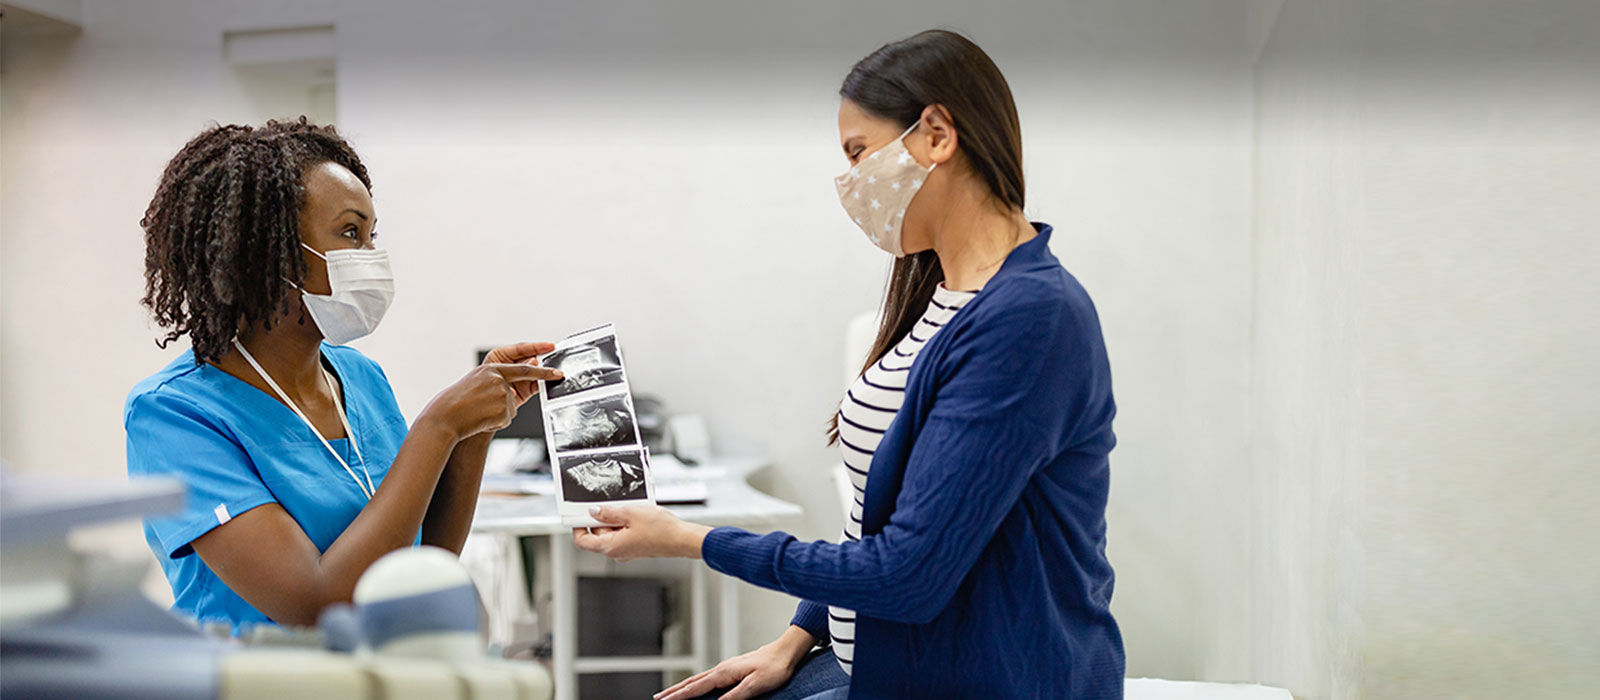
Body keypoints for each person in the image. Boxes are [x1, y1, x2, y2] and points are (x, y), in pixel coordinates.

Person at [573, 30, 1125, 700]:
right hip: (876, 661)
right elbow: (881, 515)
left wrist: (689, 539)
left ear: (937, 135)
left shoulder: (1031, 319)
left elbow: (906, 573)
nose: (851, 181)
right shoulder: (942, 294)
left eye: (859, 152)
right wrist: (797, 638)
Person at [126, 118, 561, 634]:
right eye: (351, 233)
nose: (371, 257)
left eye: (372, 236)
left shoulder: (359, 377)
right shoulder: (174, 414)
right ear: (269, 249)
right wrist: (438, 426)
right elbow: (315, 604)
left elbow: (422, 565)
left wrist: (475, 432)